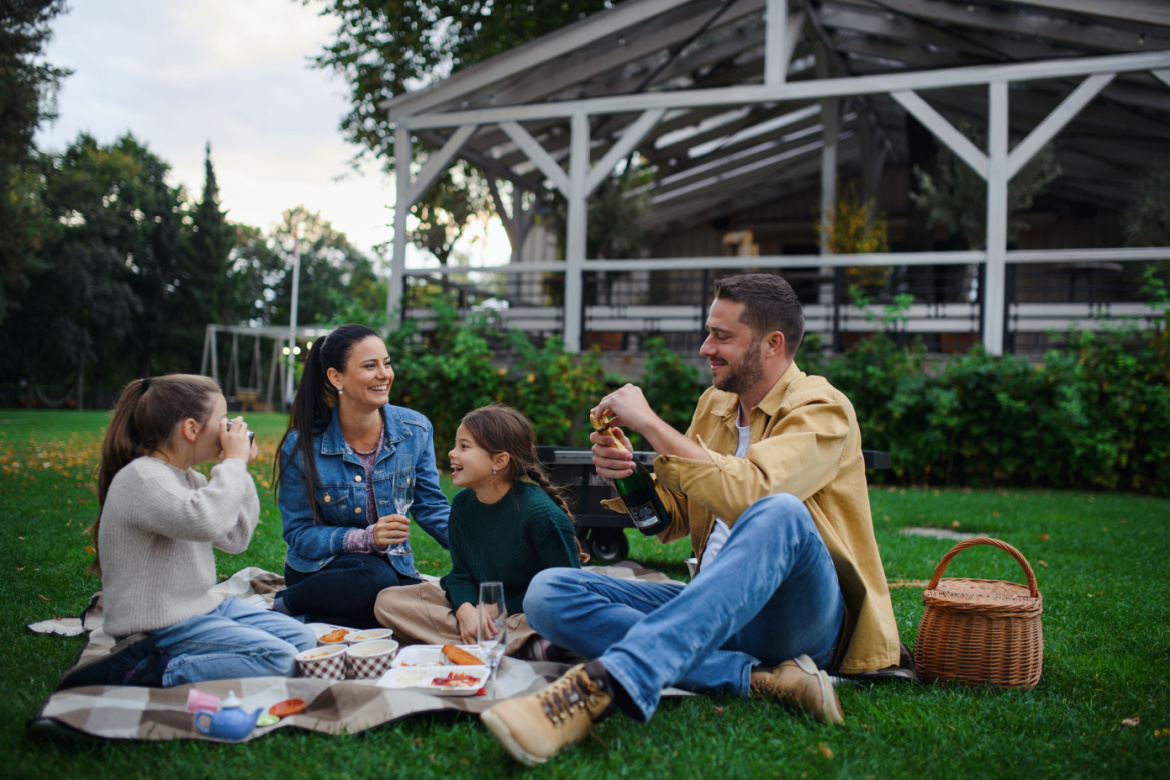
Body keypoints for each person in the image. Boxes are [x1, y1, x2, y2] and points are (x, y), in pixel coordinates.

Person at [480, 273, 902, 765]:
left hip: (792, 616)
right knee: (548, 592)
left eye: (722, 336)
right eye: (709, 332)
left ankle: (603, 683)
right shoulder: (715, 405)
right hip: (709, 601)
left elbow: (753, 494)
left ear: (772, 344)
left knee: (780, 511)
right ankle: (760, 679)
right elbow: (670, 523)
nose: (706, 347)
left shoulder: (823, 409)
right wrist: (629, 475)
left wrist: (653, 425)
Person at [58, 375, 316, 690]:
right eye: (223, 420)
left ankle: (171, 658)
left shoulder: (188, 477)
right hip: (159, 626)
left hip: (200, 608)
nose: (229, 428)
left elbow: (235, 538)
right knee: (282, 659)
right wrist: (233, 463)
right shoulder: (143, 477)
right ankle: (143, 669)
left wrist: (239, 467)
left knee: (302, 639)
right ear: (191, 429)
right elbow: (206, 520)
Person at [273, 324, 450, 628]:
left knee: (398, 595)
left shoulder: (416, 430)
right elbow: (299, 534)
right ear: (335, 377)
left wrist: (478, 544)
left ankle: (323, 617)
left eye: (387, 363)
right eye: (370, 366)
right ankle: (289, 602)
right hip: (322, 569)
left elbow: (431, 507)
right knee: (377, 580)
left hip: (389, 567)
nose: (384, 374)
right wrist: (365, 538)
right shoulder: (301, 445)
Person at [374, 404, 582, 654]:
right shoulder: (462, 506)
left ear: (499, 460)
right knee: (388, 602)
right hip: (481, 609)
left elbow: (568, 591)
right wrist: (464, 609)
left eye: (464, 446)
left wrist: (501, 607)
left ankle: (513, 641)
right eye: (455, 445)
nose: (452, 453)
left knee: (556, 620)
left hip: (524, 613)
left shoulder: (541, 515)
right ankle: (516, 646)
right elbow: (460, 576)